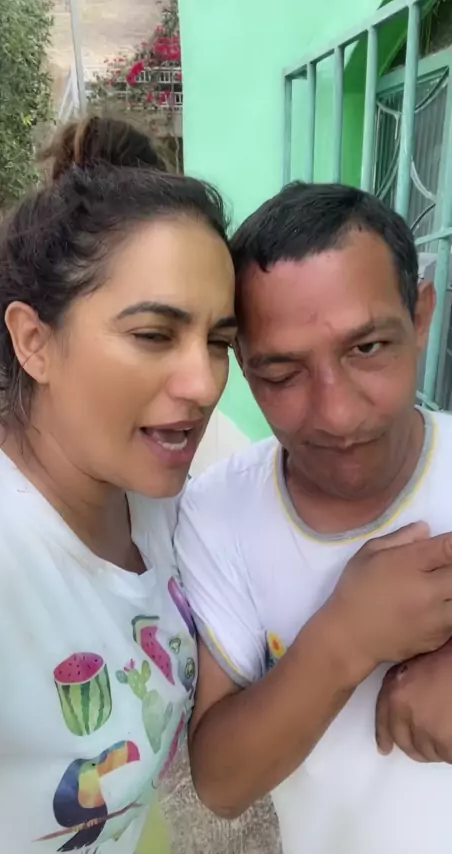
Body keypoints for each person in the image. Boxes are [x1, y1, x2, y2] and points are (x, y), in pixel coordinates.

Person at [0, 115, 237, 854]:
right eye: (154, 334)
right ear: (34, 342)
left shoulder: (158, 493)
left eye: (219, 340)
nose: (205, 383)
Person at [175, 182, 452, 854]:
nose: (336, 413)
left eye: (368, 348)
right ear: (242, 368)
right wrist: (346, 637)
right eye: (282, 374)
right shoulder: (219, 515)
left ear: (420, 317)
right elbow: (222, 784)